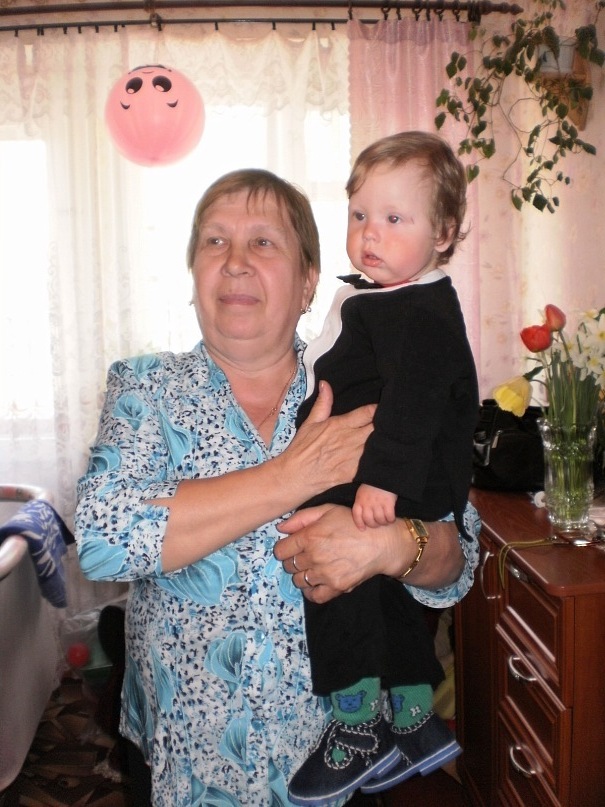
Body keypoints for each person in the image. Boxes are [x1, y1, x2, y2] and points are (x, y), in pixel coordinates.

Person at [75, 167, 480, 807]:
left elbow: (459, 559)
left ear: (309, 281)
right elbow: (103, 542)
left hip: (341, 763)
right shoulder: (145, 389)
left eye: (263, 242)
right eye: (214, 241)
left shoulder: (373, 382)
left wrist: (392, 546)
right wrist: (291, 477)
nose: (235, 261)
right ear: (194, 273)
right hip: (189, 765)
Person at [288, 132, 479, 806]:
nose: (370, 232)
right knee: (378, 590)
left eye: (395, 218)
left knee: (332, 579)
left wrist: (382, 480)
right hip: (388, 470)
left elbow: (417, 399)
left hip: (394, 472)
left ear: (442, 233)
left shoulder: (417, 309)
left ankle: (356, 722)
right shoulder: (385, 296)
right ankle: (413, 716)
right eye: (359, 214)